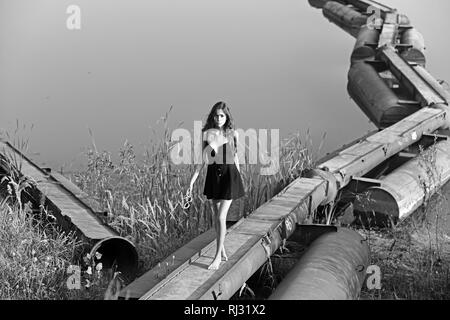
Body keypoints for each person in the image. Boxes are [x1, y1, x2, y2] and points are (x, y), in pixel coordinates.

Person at [187, 101, 245, 270]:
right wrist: (192, 182)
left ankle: (217, 257)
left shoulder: (232, 133)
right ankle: (223, 248)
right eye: (216, 115)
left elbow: (235, 157)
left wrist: (239, 178)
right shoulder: (206, 133)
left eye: (222, 116)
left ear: (226, 117)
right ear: (212, 116)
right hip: (214, 178)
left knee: (221, 217)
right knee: (216, 218)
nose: (219, 118)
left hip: (229, 177)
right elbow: (203, 159)